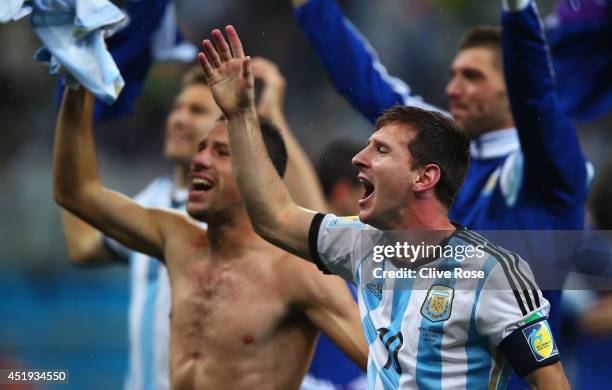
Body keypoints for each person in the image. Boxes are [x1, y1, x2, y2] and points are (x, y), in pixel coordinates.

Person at [196, 25, 570, 389]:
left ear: (424, 177)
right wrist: (240, 116)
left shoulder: (494, 274)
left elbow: (551, 384)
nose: (359, 159)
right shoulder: (363, 245)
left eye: (381, 150)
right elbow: (273, 217)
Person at [289, 0, 591, 343]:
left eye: (472, 77)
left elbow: (538, 102)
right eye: (453, 75)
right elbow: (363, 82)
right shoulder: (445, 150)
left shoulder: (548, 170)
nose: (452, 89)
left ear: (514, 88)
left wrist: (518, 10)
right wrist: (312, 7)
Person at [53, 74, 367, 388]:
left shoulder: (297, 273)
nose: (199, 160)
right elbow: (76, 192)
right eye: (202, 149)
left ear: (257, 176)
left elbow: (386, 365)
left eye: (221, 153)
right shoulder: (177, 239)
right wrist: (77, 83)